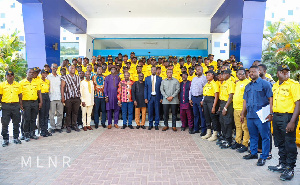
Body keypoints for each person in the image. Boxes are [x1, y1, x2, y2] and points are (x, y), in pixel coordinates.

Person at [268, 65, 300, 181]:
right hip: (277, 117)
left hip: (288, 117)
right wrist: (272, 114)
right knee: (279, 141)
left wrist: (292, 121)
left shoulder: (294, 85)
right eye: (282, 72)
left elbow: (298, 103)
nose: (285, 73)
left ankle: (290, 168)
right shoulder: (275, 86)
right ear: (277, 73)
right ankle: (282, 164)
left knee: (289, 143)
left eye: (287, 72)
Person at [241, 65, 273, 167]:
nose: (251, 74)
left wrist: (271, 113)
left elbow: (271, 99)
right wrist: (243, 114)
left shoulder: (266, 84)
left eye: (254, 72)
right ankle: (253, 153)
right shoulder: (248, 86)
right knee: (253, 136)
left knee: (265, 137)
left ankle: (264, 157)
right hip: (250, 115)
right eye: (250, 72)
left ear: (259, 72)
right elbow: (245, 101)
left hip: (262, 115)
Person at [0, 71, 22, 146]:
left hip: (15, 105)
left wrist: (20, 105)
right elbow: (0, 96)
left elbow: (20, 96)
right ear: (6, 76)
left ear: (14, 76)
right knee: (5, 123)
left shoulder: (18, 85)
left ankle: (16, 138)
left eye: (12, 75)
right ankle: (5, 139)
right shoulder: (2, 85)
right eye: (8, 75)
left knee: (16, 122)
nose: (10, 76)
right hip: (6, 106)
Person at [20, 68, 42, 141]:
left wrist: (40, 102)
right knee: (27, 119)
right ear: (26, 73)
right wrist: (20, 104)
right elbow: (19, 95)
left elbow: (39, 93)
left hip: (34, 102)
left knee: (33, 119)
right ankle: (26, 134)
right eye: (30, 72)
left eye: (33, 72)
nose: (31, 73)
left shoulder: (36, 82)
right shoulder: (22, 83)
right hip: (26, 102)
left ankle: (32, 133)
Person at [232, 67, 250, 152]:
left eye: (243, 73)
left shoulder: (248, 83)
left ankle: (245, 144)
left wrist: (244, 111)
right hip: (236, 108)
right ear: (237, 75)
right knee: (238, 126)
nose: (241, 75)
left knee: (245, 127)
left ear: (246, 74)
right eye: (239, 74)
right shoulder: (237, 83)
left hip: (243, 109)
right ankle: (237, 141)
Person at [217, 69, 235, 149]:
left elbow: (230, 97)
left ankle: (229, 141)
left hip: (228, 105)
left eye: (224, 74)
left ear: (229, 74)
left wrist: (225, 108)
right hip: (223, 103)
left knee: (227, 123)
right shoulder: (224, 83)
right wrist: (221, 107)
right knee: (222, 121)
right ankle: (224, 138)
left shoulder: (230, 83)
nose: (222, 75)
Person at [61, 65, 81, 133]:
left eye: (73, 68)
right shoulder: (65, 77)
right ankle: (68, 126)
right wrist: (63, 97)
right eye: (71, 68)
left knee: (75, 112)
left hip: (76, 97)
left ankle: (74, 125)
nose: (73, 69)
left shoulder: (78, 77)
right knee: (68, 113)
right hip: (68, 98)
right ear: (68, 69)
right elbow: (62, 87)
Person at [201, 70, 220, 141]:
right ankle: (208, 133)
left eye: (209, 75)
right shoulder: (207, 84)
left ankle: (215, 134)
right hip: (206, 100)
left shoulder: (214, 84)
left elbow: (216, 96)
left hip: (211, 101)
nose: (207, 76)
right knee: (207, 117)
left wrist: (214, 106)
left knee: (213, 118)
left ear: (213, 76)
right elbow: (204, 94)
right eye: (207, 75)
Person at [189, 65, 207, 135]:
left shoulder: (204, 78)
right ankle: (196, 129)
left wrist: (203, 100)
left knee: (202, 115)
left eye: (199, 69)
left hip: (200, 98)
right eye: (196, 70)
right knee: (195, 114)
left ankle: (203, 130)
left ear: (202, 70)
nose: (197, 71)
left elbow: (205, 90)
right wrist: (190, 98)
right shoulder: (194, 78)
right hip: (194, 98)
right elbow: (191, 89)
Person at [144, 66, 162, 130]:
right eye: (152, 70)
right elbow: (145, 88)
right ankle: (150, 124)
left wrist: (161, 98)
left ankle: (156, 124)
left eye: (155, 70)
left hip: (157, 97)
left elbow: (161, 89)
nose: (154, 71)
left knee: (157, 111)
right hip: (150, 97)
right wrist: (145, 98)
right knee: (150, 111)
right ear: (151, 70)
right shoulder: (147, 78)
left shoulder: (160, 78)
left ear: (156, 71)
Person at [47, 63, 63, 133]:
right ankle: (52, 127)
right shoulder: (48, 77)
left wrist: (62, 97)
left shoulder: (60, 77)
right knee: (52, 114)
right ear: (51, 67)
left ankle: (59, 127)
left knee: (60, 113)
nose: (55, 68)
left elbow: (61, 87)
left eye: (56, 67)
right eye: (54, 67)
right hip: (51, 98)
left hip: (59, 97)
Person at [39, 69, 52, 137]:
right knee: (42, 114)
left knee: (46, 114)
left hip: (47, 96)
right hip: (41, 96)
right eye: (43, 73)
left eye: (46, 73)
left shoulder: (48, 81)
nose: (45, 74)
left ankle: (46, 129)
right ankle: (42, 131)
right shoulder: (39, 81)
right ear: (41, 74)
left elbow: (49, 89)